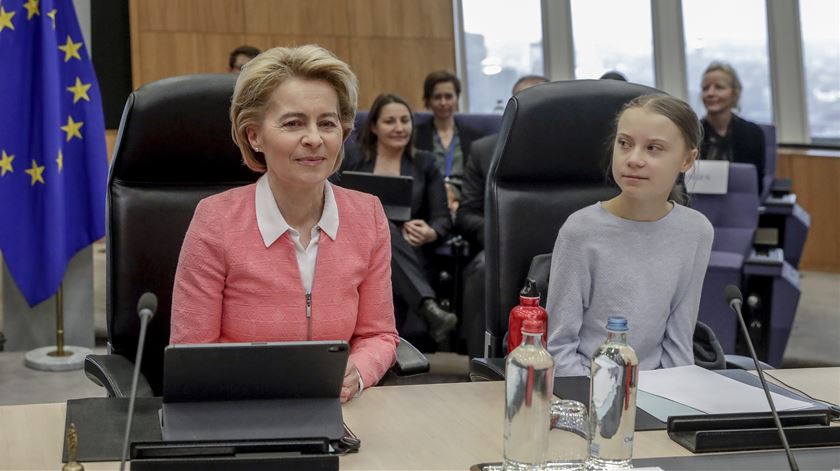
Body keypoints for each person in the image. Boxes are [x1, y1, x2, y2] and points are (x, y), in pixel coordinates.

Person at [171, 45, 399, 402]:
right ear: (254, 136)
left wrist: (358, 371)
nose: (314, 138)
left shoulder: (367, 216)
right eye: (293, 123)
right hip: (242, 412)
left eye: (327, 123)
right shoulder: (215, 221)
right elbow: (191, 355)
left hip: (340, 415)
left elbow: (379, 334)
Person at [546, 94, 714, 376]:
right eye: (624, 144)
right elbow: (559, 348)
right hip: (586, 387)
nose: (634, 159)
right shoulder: (580, 231)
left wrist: (674, 404)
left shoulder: (696, 232)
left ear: (687, 160)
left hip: (657, 389)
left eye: (653, 148)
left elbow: (679, 342)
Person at [339, 94, 457, 344]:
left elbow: (442, 219)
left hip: (410, 253)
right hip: (356, 249)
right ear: (374, 126)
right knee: (379, 224)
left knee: (385, 236)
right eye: (390, 121)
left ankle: (388, 346)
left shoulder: (425, 163)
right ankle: (427, 307)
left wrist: (430, 232)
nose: (399, 128)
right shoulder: (352, 161)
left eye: (405, 120)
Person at [454, 75, 548, 357]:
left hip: (558, 246)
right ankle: (483, 363)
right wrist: (499, 237)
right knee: (483, 271)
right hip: (499, 248)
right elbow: (466, 215)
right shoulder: (484, 150)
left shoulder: (573, 148)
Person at [414, 71, 482, 214]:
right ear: (427, 100)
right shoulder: (414, 135)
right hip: (429, 205)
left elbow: (479, 181)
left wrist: (460, 202)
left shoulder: (475, 137)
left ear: (457, 99)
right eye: (437, 97)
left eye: (449, 96)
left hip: (466, 204)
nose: (443, 102)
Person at [699, 61, 766, 194]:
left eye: (719, 87)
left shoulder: (753, 133)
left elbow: (756, 185)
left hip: (740, 206)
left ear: (734, 94)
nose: (710, 93)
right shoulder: (691, 133)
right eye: (705, 88)